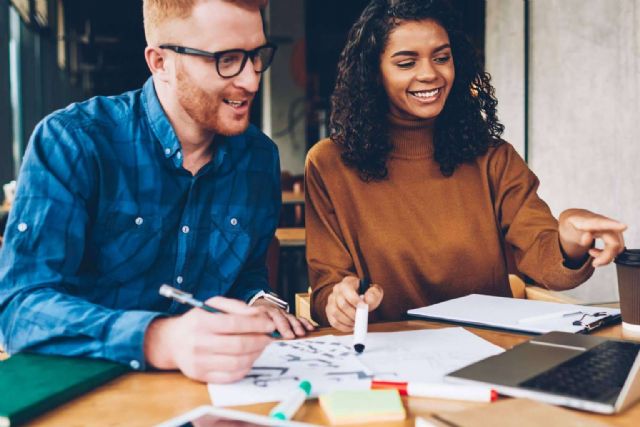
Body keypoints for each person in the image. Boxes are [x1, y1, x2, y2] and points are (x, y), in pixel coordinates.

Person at [0, 0, 314, 384]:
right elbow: (21, 309)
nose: (250, 80)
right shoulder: (73, 142)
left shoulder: (259, 159)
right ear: (160, 62)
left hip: (213, 393)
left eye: (256, 55)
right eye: (227, 59)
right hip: (87, 394)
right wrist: (160, 339)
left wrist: (259, 301)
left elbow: (246, 272)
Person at [305, 0, 627, 331]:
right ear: (374, 73)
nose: (430, 73)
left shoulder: (493, 158)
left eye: (442, 58)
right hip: (387, 359)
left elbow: (544, 259)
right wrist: (337, 302)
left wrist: (569, 243)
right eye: (406, 63)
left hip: (491, 353)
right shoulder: (330, 164)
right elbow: (326, 285)